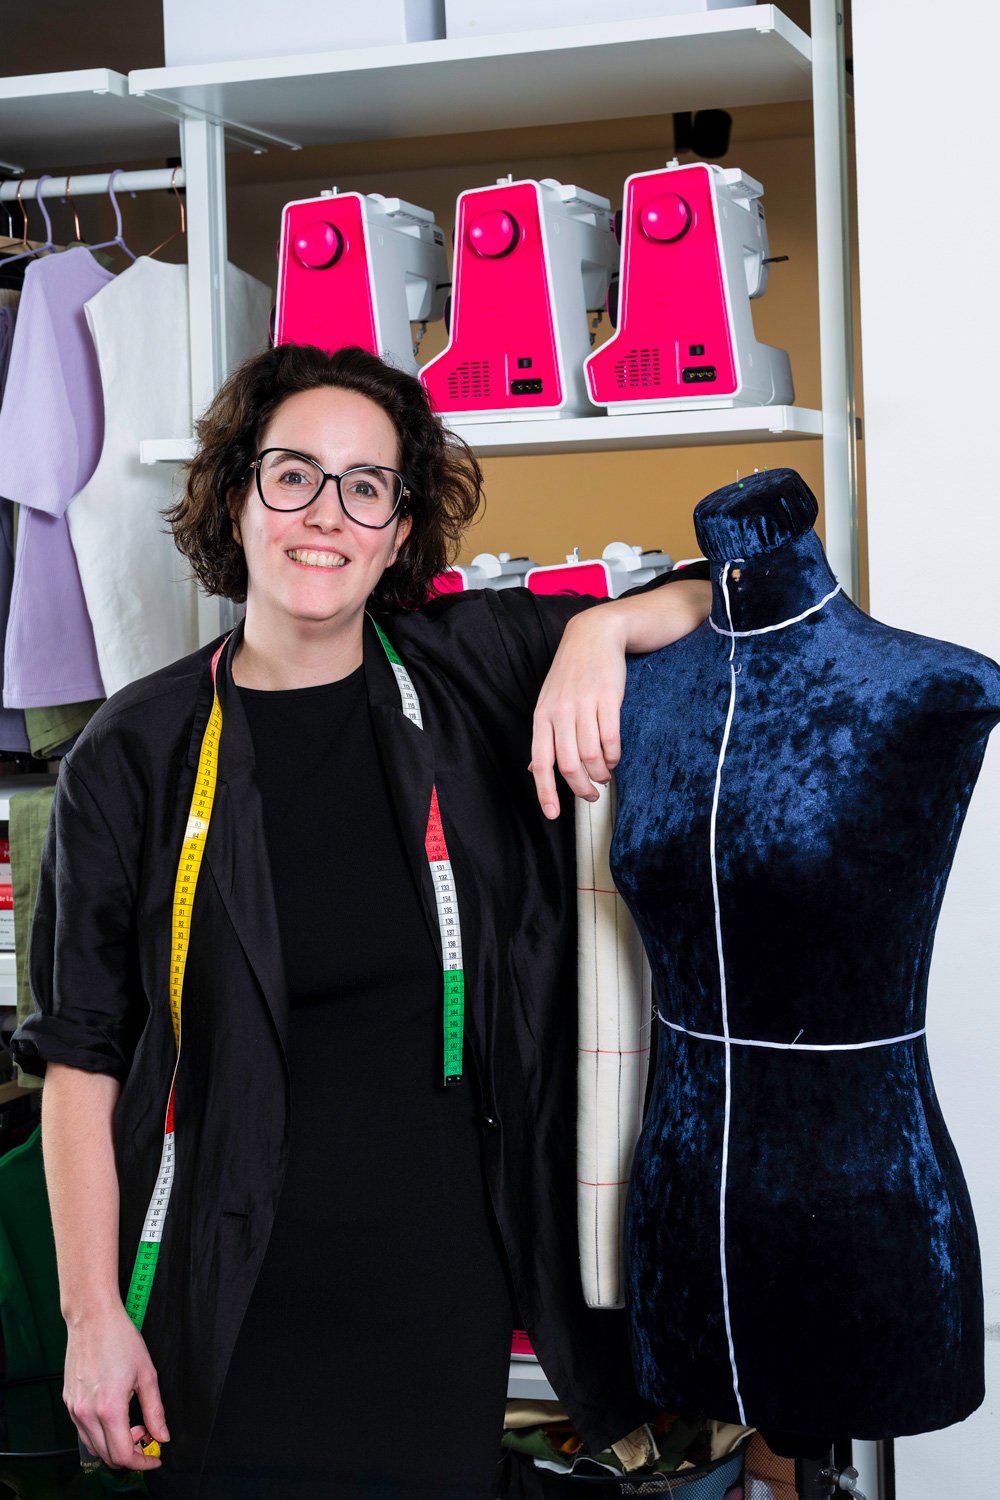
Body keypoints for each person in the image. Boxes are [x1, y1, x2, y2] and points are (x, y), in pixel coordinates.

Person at [11, 343, 710, 1499]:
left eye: (365, 486)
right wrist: (92, 1317)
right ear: (235, 497)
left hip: (435, 1289)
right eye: (291, 475)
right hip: (222, 1288)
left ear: (397, 530)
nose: (323, 514)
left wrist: (600, 630)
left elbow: (733, 588)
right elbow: (81, 1058)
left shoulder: (475, 667)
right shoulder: (130, 755)